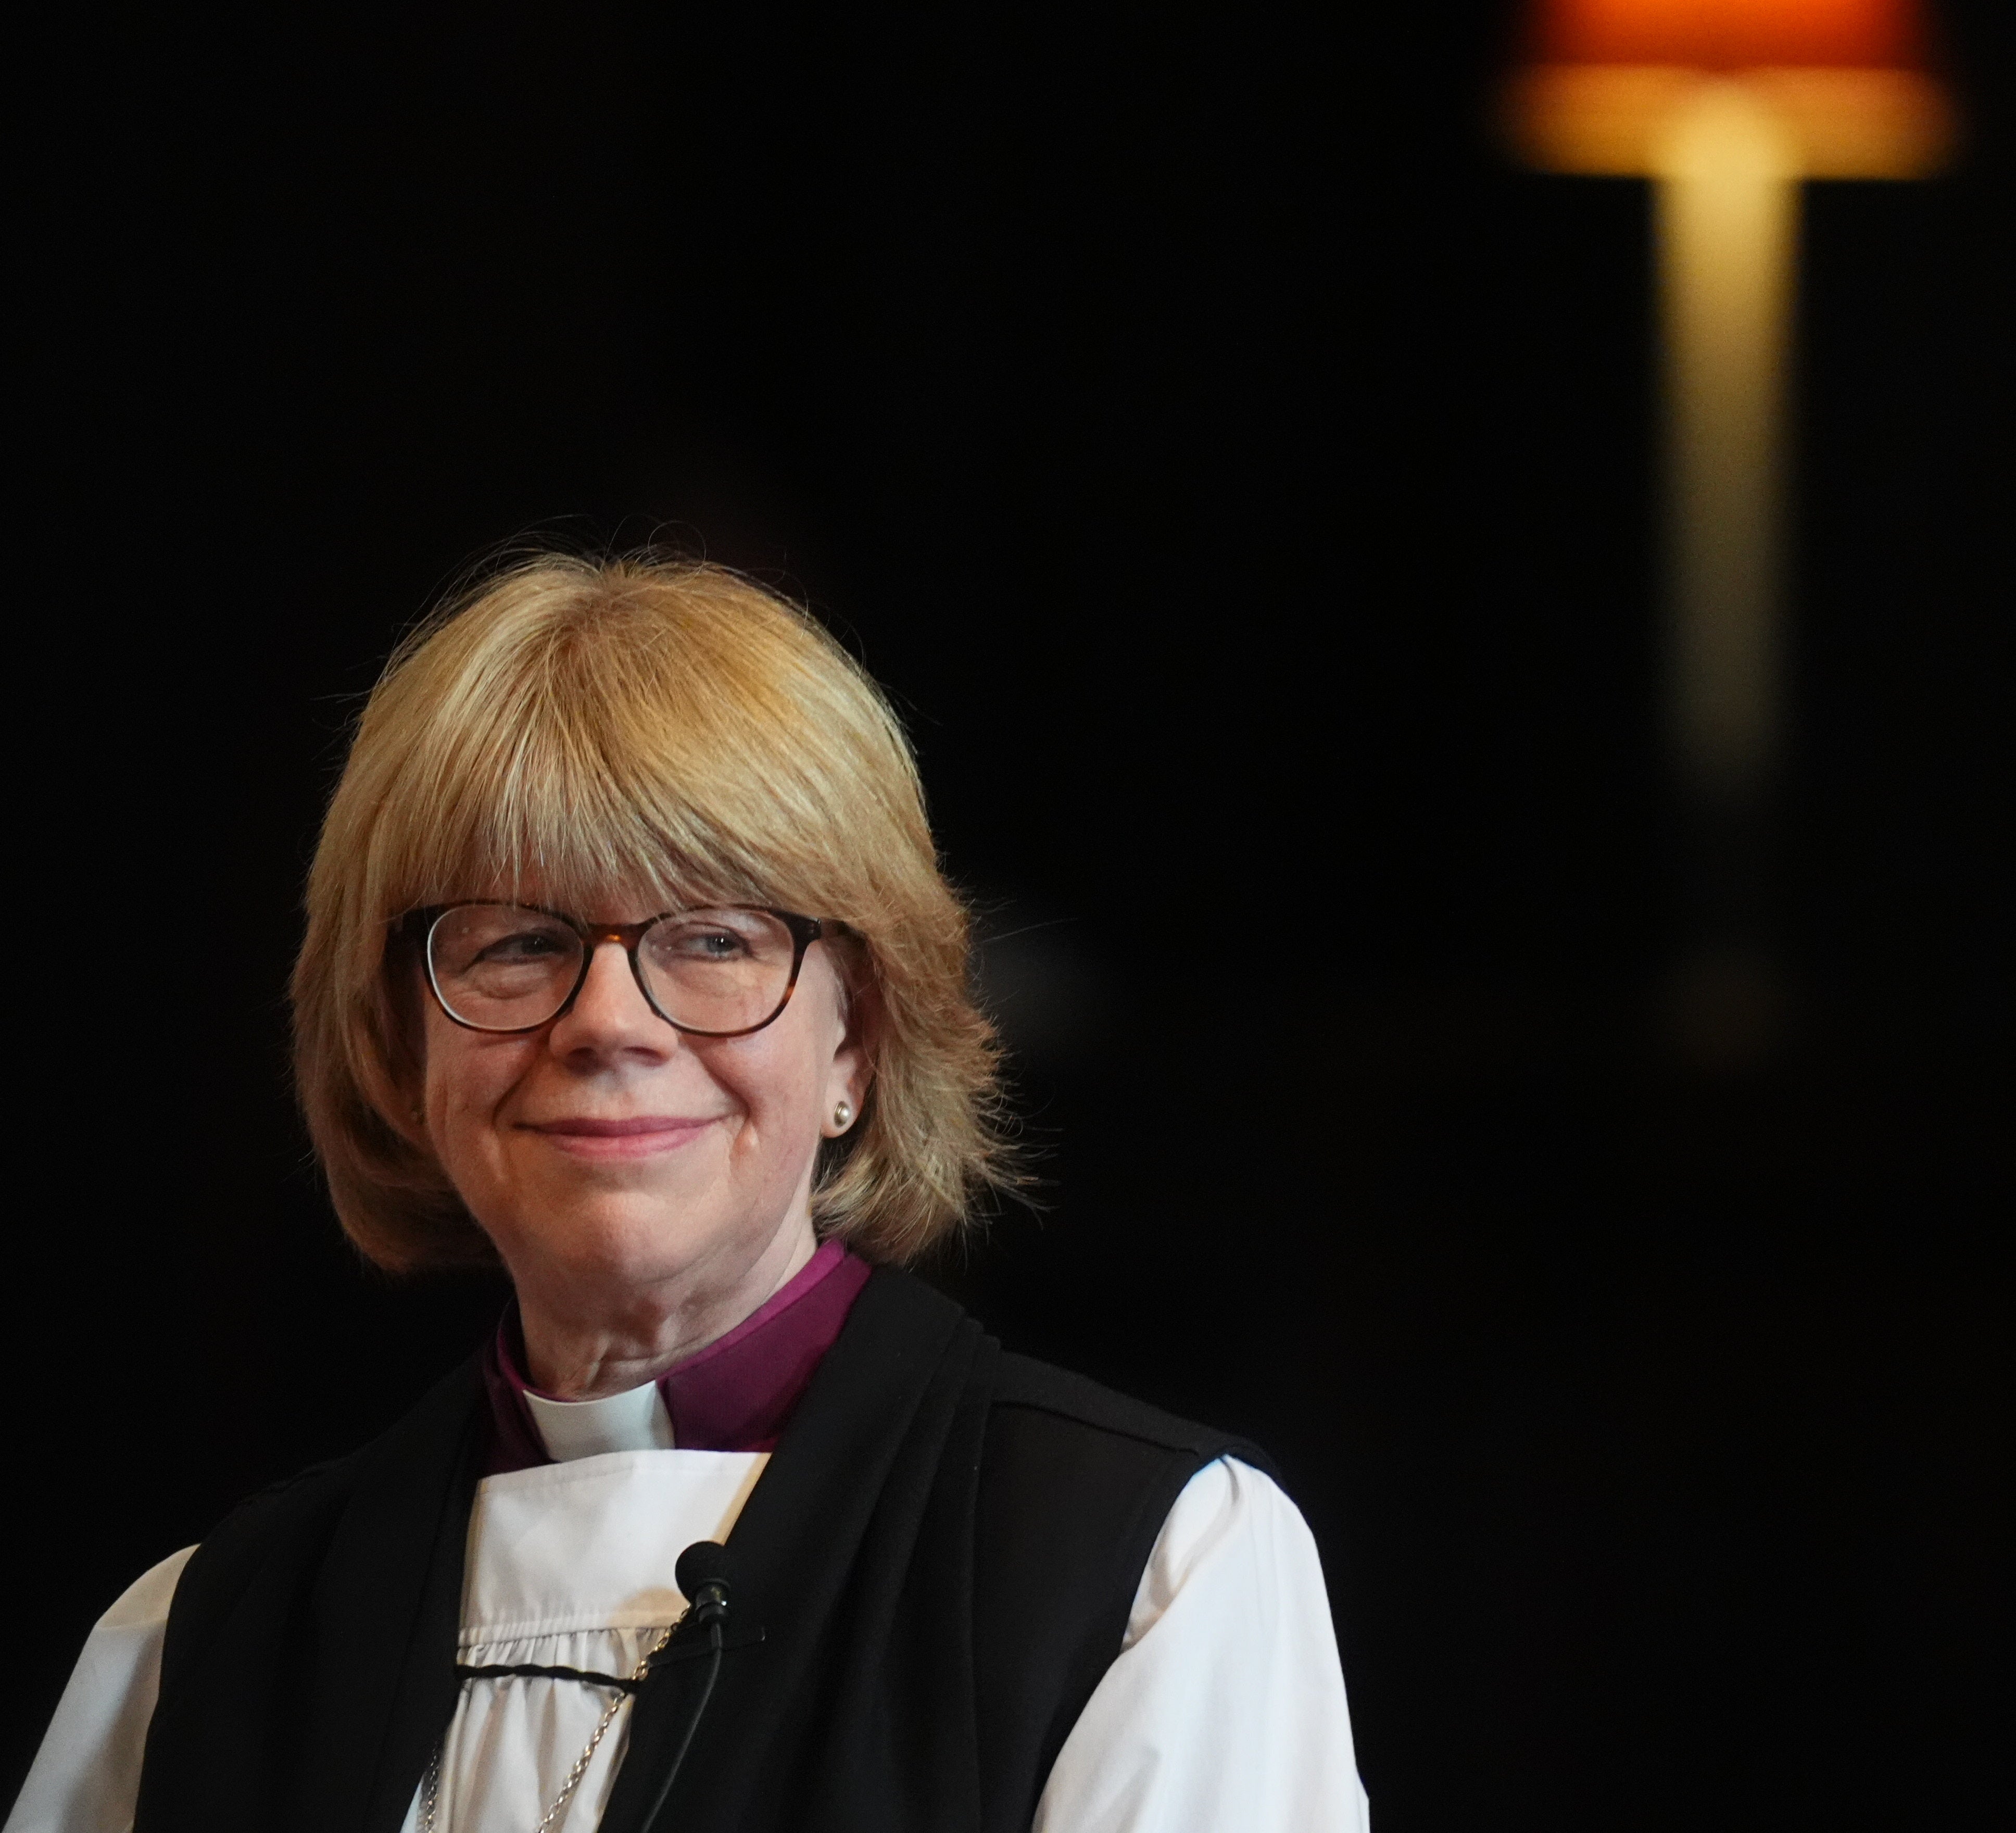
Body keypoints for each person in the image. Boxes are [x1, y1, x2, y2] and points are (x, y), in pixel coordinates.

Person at [7, 554, 1367, 1833]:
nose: (608, 1021)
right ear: (401, 1041)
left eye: (714, 937)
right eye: (516, 942)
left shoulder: (1139, 1574)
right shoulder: (203, 1638)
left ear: (858, 1040)